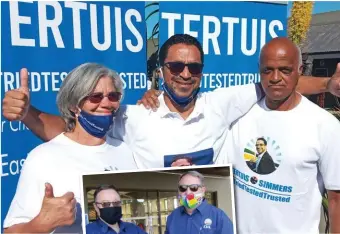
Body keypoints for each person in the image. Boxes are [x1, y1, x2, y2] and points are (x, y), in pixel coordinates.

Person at [2, 34, 340, 170]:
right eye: (175, 66)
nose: (184, 73)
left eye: (193, 66)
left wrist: (328, 83)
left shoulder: (220, 104)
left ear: (202, 72)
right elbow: (71, 132)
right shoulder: (135, 115)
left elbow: (277, 83)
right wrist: (28, 114)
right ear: (161, 70)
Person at [3, 63, 137, 233]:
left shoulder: (124, 149)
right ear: (74, 106)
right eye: (95, 96)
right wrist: (41, 224)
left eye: (113, 96)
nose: (106, 103)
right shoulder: (42, 158)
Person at [225, 37, 340, 233]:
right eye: (267, 70)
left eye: (285, 70)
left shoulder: (325, 125)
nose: (275, 77)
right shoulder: (239, 112)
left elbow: (336, 198)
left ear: (299, 71)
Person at [165, 171, 233, 234]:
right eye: (183, 188)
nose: (188, 192)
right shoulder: (172, 217)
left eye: (194, 187)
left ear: (203, 190)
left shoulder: (219, 217)